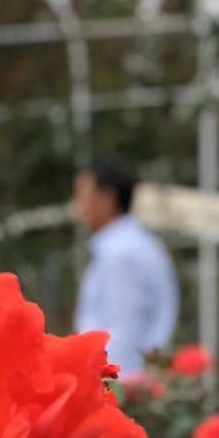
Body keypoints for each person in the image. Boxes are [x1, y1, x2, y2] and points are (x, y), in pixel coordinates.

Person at [71, 160, 178, 375]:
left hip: (120, 382)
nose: (77, 204)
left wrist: (108, 383)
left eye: (82, 194)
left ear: (108, 198)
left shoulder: (122, 253)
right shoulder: (131, 245)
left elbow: (123, 331)